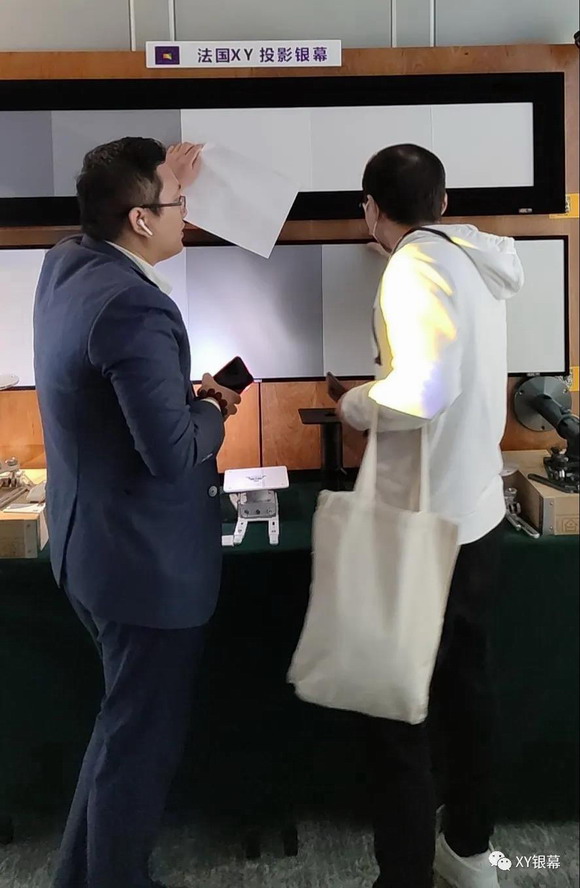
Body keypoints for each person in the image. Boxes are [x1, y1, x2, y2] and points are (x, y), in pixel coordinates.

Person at [33, 137, 241, 888]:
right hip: (142, 571)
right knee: (138, 747)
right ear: (141, 219)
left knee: (120, 727)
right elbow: (172, 452)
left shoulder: (68, 262)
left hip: (87, 551)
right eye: (178, 203)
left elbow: (113, 394)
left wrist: (161, 177)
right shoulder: (135, 305)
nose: (188, 214)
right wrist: (214, 410)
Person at [338, 144, 524, 888]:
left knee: (397, 714)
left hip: (420, 524)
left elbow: (421, 394)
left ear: (371, 209)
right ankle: (470, 851)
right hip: (477, 512)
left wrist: (355, 404)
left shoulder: (413, 269)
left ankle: (405, 875)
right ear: (443, 204)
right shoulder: (476, 260)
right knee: (466, 693)